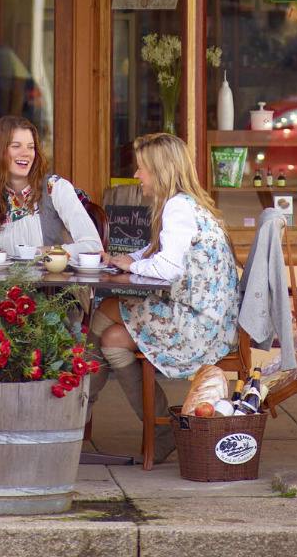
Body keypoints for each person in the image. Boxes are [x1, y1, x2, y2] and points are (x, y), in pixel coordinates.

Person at [87, 132, 239, 459]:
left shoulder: (178, 207)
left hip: (198, 327)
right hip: (210, 321)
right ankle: (160, 430)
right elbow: (159, 252)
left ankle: (77, 410)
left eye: (142, 168)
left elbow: (168, 267)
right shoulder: (188, 203)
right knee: (112, 340)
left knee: (108, 307)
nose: (137, 175)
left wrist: (131, 265)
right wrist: (127, 260)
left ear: (160, 171)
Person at [0, 115, 101, 256]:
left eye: (31, 147)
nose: (26, 153)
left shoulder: (56, 188)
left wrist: (45, 252)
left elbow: (93, 246)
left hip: (57, 271)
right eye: (16, 146)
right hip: (9, 272)